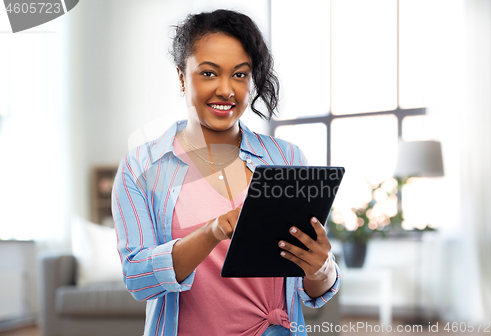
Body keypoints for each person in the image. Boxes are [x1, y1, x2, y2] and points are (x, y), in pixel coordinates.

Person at [112, 9, 341, 336]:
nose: (226, 90)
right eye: (208, 73)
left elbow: (313, 289)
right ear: (181, 76)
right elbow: (138, 279)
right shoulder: (141, 167)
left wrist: (321, 269)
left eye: (240, 74)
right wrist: (212, 232)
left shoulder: (287, 157)